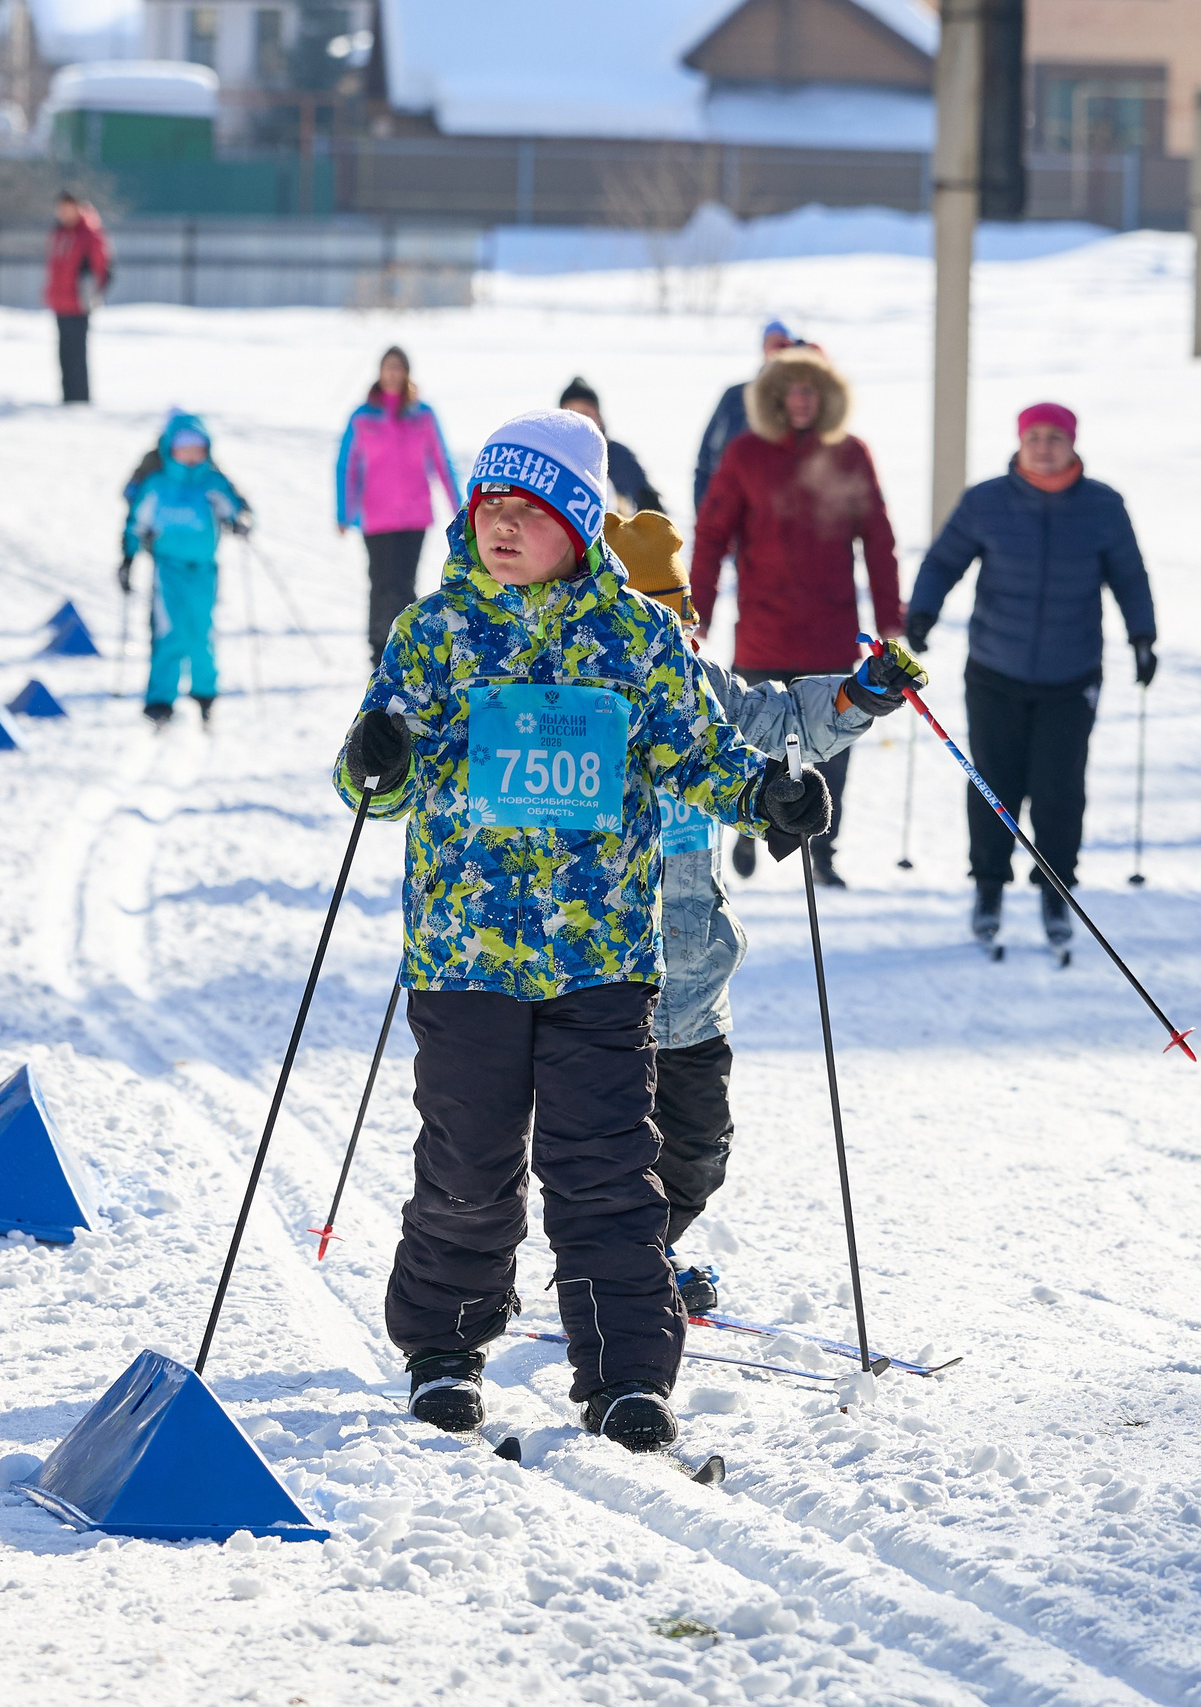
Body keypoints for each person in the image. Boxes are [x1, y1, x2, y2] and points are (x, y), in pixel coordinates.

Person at [333, 409, 830, 1454]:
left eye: (526, 509)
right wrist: (373, 755)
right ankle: (444, 1350)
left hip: (600, 953)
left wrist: (768, 799)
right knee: (467, 1166)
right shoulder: (433, 632)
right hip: (464, 953)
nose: (501, 527)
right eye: (487, 508)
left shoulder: (639, 638)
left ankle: (626, 1376)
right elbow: (376, 781)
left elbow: (696, 760)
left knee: (605, 1166)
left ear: (576, 519)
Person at [605, 510, 923, 1312]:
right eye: (652, 616)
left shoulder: (707, 694)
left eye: (682, 616)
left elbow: (783, 725)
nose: (675, 633)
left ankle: (649, 1246)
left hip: (692, 982)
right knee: (604, 1150)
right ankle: (621, 1271)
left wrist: (857, 695)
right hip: (596, 975)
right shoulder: (583, 704)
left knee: (698, 1153)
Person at [908, 402, 1156, 959]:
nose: (1044, 446)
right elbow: (945, 560)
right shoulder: (987, 500)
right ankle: (989, 888)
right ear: (1020, 442)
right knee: (993, 783)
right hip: (996, 667)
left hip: (1072, 675)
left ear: (1072, 443)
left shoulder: (1102, 505)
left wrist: (1143, 635)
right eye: (1034, 437)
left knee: (1059, 790)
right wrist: (922, 612)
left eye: (1054, 437)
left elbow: (1129, 574)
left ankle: (1055, 891)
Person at [690, 342, 902, 889]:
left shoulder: (851, 453)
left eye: (812, 390)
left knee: (836, 739)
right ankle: (748, 826)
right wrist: (698, 612)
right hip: (764, 630)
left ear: (826, 397)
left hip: (831, 627)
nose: (801, 401)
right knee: (752, 732)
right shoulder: (745, 455)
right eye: (791, 391)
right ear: (774, 398)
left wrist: (890, 618)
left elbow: (878, 538)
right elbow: (712, 535)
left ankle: (824, 849)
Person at [119, 410, 250, 727]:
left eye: (197, 447)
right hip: (168, 571)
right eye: (184, 447)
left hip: (204, 571)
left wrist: (240, 522)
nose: (191, 454)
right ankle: (160, 700)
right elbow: (136, 524)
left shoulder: (212, 482)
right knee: (169, 633)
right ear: (170, 449)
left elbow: (237, 509)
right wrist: (128, 558)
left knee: (201, 631)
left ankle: (205, 692)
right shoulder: (157, 485)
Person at [336, 346, 461, 659]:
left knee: (405, 583)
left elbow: (441, 460)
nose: (392, 373)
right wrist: (343, 510)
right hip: (376, 515)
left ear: (406, 372)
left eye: (398, 367)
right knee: (381, 581)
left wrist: (459, 505)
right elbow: (346, 466)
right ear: (379, 373)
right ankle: (378, 647)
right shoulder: (363, 416)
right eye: (387, 367)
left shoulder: (423, 414)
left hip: (413, 515)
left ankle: (406, 643)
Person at [691, 320, 794, 515]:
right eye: (771, 345)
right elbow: (706, 458)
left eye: (784, 345)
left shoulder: (803, 405)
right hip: (734, 512)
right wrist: (705, 511)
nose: (777, 352)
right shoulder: (736, 396)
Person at [558, 378, 663, 515]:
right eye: (572, 414)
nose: (580, 420)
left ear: (598, 416)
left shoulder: (620, 456)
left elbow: (649, 503)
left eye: (586, 413)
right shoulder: (552, 457)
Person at [45, 193, 112, 405]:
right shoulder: (59, 232)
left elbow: (101, 266)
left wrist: (92, 292)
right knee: (64, 352)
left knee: (77, 353)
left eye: (66, 208)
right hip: (60, 301)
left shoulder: (88, 233)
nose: (63, 212)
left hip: (79, 302)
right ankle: (67, 397)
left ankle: (80, 399)